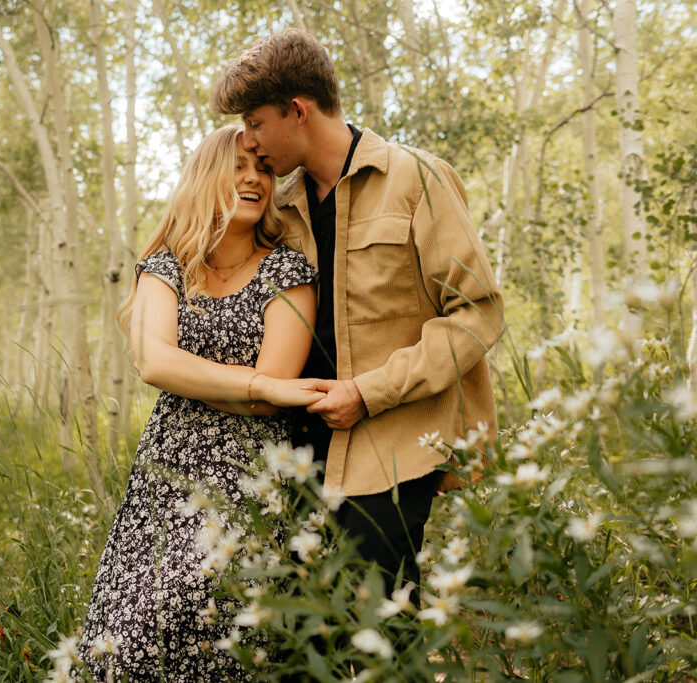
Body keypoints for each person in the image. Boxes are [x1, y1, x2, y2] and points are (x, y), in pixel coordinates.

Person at [210, 29, 505, 601]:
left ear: (297, 110)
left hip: (390, 448)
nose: (247, 141)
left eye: (255, 122)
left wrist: (368, 393)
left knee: (383, 628)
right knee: (303, 639)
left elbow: (475, 313)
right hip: (295, 451)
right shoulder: (280, 204)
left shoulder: (416, 178)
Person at [77, 124, 324, 681]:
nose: (253, 178)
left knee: (223, 630)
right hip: (164, 478)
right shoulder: (166, 264)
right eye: (238, 165)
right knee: (130, 637)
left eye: (263, 168)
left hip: (251, 476)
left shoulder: (288, 271)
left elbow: (273, 392)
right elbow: (155, 363)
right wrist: (257, 385)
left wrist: (237, 386)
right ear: (205, 174)